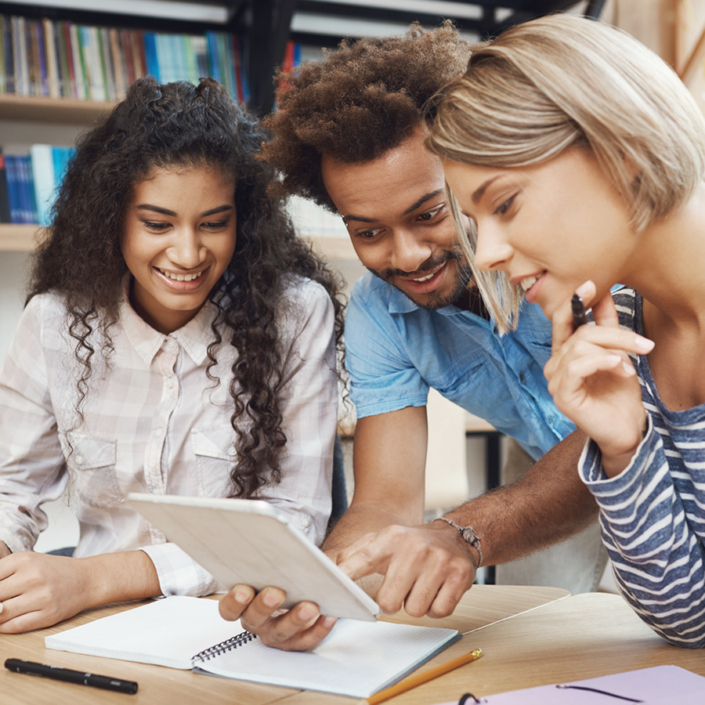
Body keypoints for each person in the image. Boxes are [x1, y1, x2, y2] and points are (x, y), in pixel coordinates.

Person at [218, 23, 606, 652]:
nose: (407, 256)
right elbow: (386, 504)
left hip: (666, 450)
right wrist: (315, 589)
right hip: (542, 462)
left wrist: (462, 532)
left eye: (429, 214)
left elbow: (621, 433)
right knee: (545, 645)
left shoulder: (571, 252)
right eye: (367, 231)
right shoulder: (377, 317)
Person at [0, 76, 342, 634]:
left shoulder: (296, 315)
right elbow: (9, 490)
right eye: (157, 224)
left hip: (237, 626)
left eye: (214, 224)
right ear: (112, 218)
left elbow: (293, 522)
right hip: (92, 625)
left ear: (244, 220)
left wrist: (93, 579)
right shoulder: (54, 322)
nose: (188, 253)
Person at [429, 14, 705, 648]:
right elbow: (690, 619)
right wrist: (623, 447)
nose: (489, 253)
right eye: (475, 223)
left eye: (504, 204)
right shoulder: (629, 330)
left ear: (623, 150)